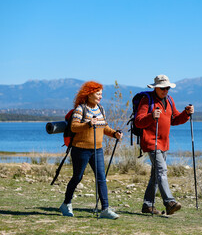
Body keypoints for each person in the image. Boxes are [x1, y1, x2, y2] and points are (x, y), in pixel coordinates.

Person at [59, 81, 123, 219]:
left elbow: (103, 127)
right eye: (97, 93)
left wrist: (114, 134)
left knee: (101, 178)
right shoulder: (80, 109)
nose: (100, 96)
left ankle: (105, 209)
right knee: (77, 177)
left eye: (101, 93)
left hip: (97, 149)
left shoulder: (100, 109)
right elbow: (74, 127)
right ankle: (66, 204)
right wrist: (88, 124)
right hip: (80, 149)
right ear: (89, 94)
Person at [135, 74, 194, 215]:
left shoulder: (169, 100)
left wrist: (186, 113)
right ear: (155, 88)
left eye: (167, 88)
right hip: (151, 141)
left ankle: (147, 206)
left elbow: (174, 120)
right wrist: (151, 116)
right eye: (162, 88)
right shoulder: (146, 100)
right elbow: (138, 121)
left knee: (155, 175)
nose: (165, 90)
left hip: (164, 143)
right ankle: (169, 202)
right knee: (162, 170)